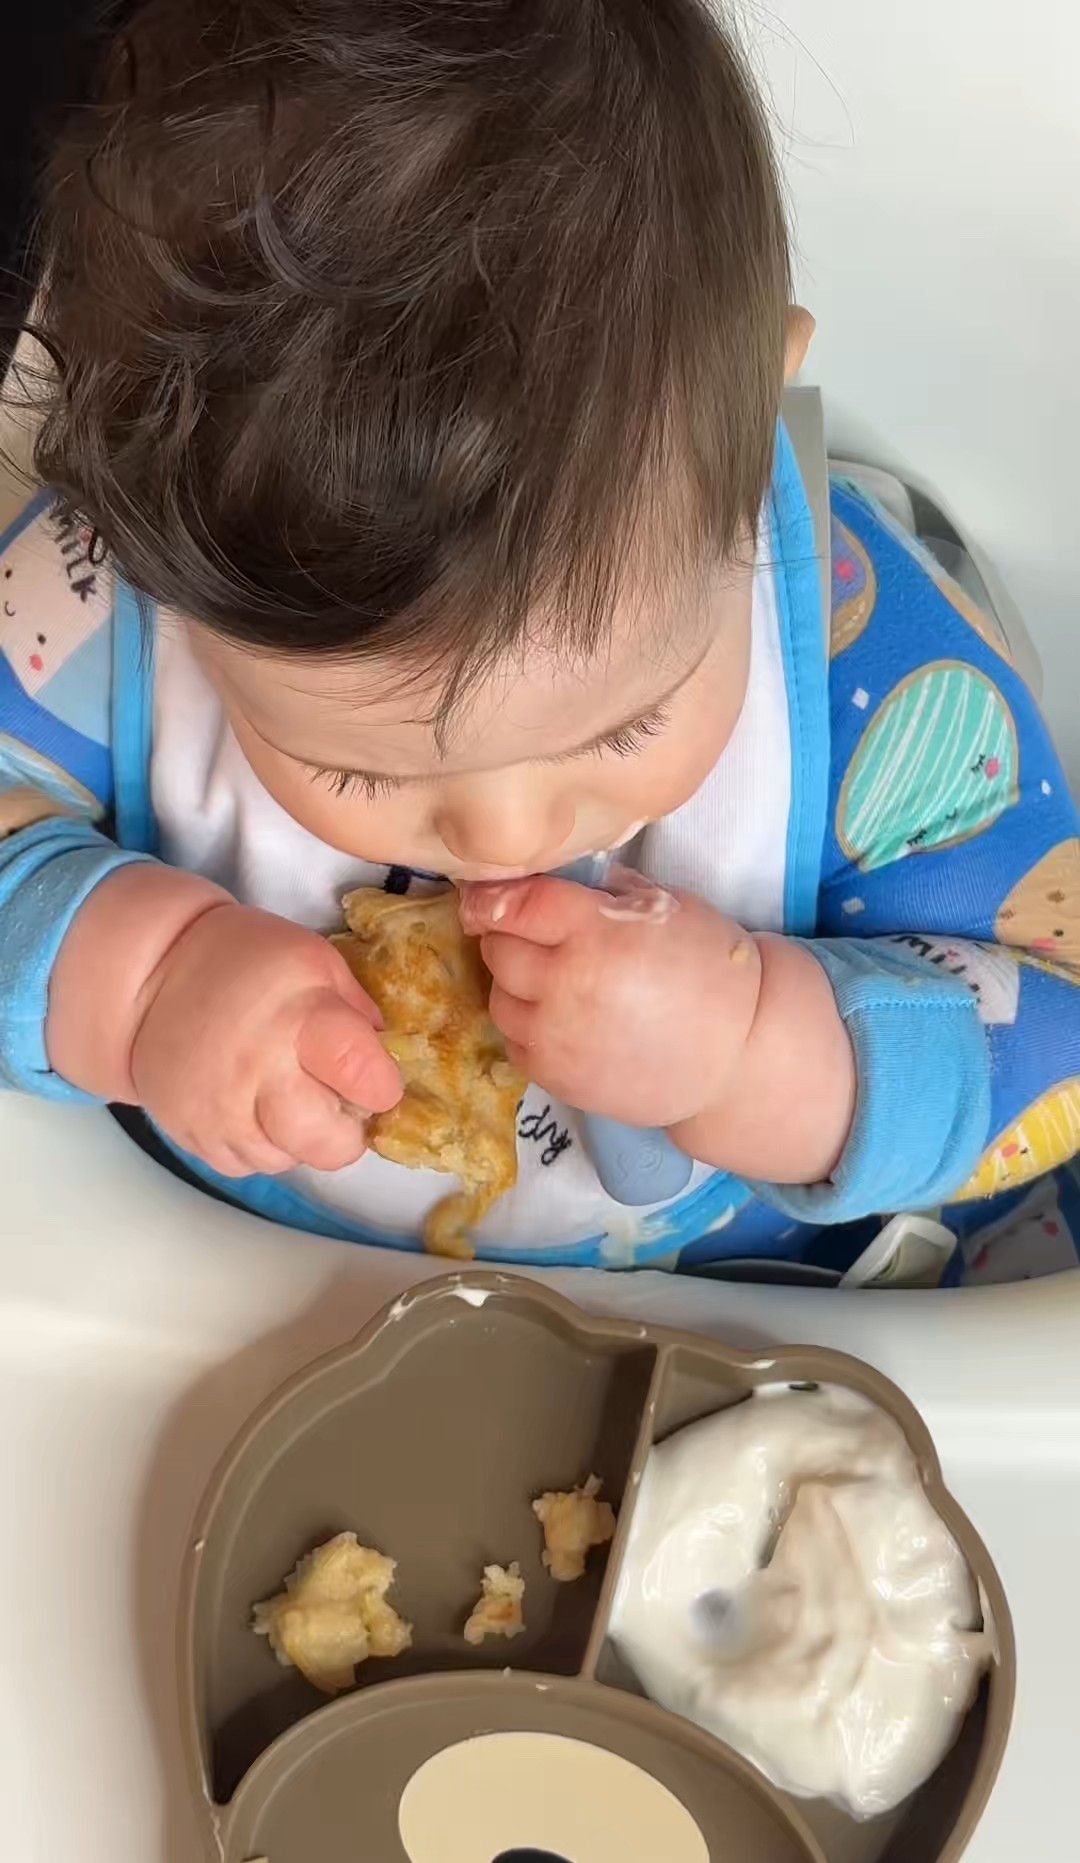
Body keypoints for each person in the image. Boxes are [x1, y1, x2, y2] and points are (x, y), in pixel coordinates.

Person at [2, 0, 1079, 1278]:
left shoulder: (861, 662)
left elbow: (1049, 1039)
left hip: (779, 1313)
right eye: (361, 771)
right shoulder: (116, 601)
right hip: (266, 1303)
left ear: (752, 432)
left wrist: (760, 1047)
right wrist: (143, 978)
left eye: (625, 724)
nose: (506, 840)